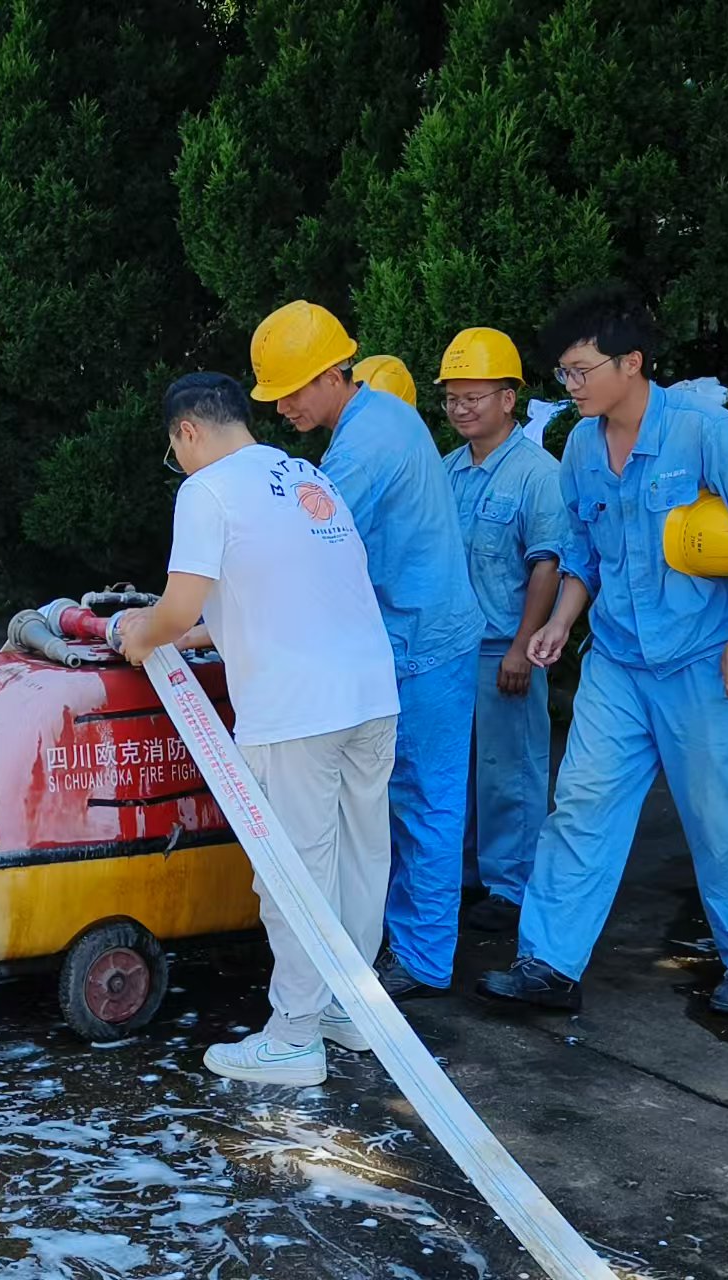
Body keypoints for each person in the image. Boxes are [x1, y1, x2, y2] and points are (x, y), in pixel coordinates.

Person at [477, 283, 728, 1017]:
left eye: (580, 370)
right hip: (618, 665)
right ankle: (548, 964)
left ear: (630, 362)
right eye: (563, 373)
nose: (570, 386)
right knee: (581, 807)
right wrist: (560, 622)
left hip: (706, 662)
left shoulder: (705, 432)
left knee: (722, 821)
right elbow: (582, 552)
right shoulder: (580, 448)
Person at [112, 372, 399, 1087]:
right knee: (361, 859)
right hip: (370, 694)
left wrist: (140, 634)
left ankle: (294, 1036)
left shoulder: (206, 490)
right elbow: (282, 596)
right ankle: (350, 1011)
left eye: (174, 448)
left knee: (293, 870)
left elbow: (177, 607)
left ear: (186, 431)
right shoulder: (304, 477)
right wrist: (190, 635)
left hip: (296, 710)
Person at [249, 300, 481, 1002]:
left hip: (425, 642)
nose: (281, 406)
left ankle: (422, 959)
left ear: (332, 374)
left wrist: (205, 616)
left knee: (426, 802)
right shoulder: (373, 420)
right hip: (409, 634)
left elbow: (304, 546)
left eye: (290, 389)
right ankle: (400, 942)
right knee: (410, 800)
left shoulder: (365, 444)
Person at [435, 327, 569, 933]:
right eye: (452, 399)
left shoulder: (538, 473)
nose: (462, 409)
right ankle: (467, 876)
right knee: (457, 769)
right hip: (453, 650)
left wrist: (522, 647)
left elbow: (548, 564)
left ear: (509, 399)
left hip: (503, 650)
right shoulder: (448, 471)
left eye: (474, 397)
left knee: (508, 770)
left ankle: (511, 887)